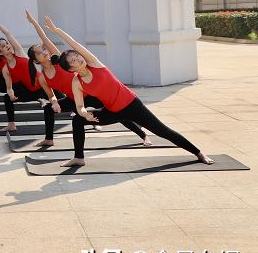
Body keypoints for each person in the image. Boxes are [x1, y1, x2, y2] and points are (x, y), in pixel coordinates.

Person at [42, 15, 212, 167]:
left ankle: (198, 152)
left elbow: (75, 44)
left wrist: (56, 30)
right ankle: (79, 158)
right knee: (78, 121)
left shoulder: (94, 63)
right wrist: (85, 113)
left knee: (162, 130)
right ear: (71, 69)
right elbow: (79, 106)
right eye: (74, 60)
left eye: (77, 56)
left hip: (132, 105)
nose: (79, 58)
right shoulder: (76, 82)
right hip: (112, 111)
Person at [24, 9, 149, 147]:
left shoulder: (59, 60)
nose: (44, 52)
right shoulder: (42, 78)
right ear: (36, 60)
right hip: (74, 99)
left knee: (117, 112)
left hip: (89, 93)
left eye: (44, 49)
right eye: (40, 53)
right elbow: (51, 96)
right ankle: (49, 139)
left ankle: (142, 134)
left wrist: (34, 23)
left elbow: (45, 39)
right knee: (48, 108)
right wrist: (54, 102)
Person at [0, 16, 58, 141]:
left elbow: (7, 33)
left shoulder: (19, 52)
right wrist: (11, 94)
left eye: (7, 43)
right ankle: (11, 124)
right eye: (3, 46)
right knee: (7, 97)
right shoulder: (6, 69)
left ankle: (87, 117)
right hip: (30, 92)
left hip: (43, 87)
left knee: (67, 99)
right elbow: (9, 88)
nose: (7, 45)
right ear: (0, 53)